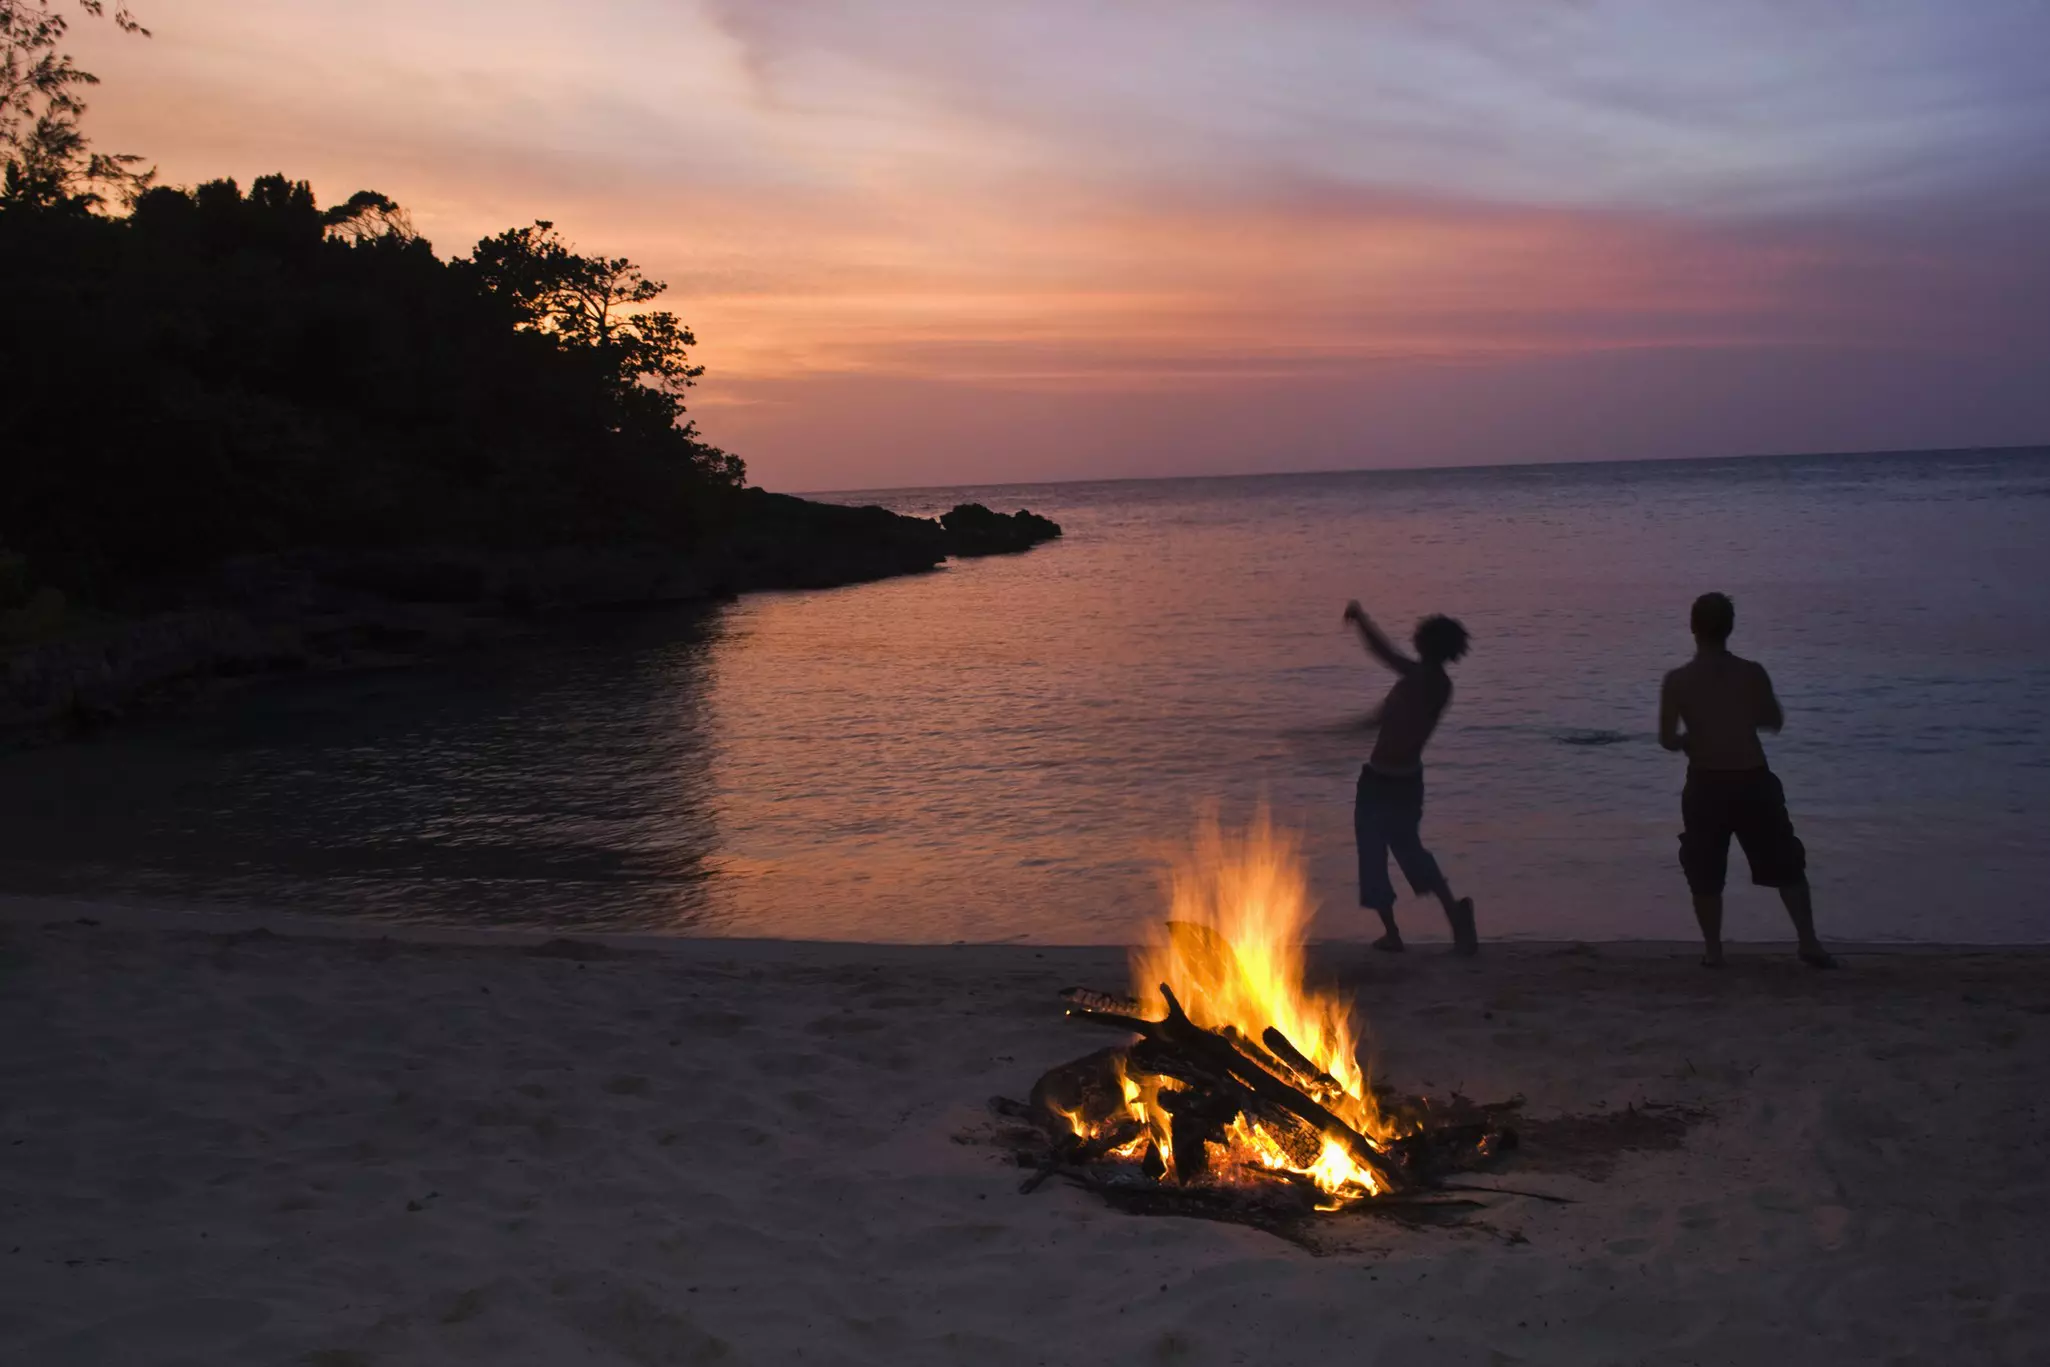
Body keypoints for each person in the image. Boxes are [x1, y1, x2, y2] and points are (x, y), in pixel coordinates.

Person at [1659, 592, 1836, 969]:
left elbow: (1668, 740)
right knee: (1786, 863)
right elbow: (1774, 719)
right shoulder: (1752, 673)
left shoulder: (1677, 681)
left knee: (1704, 870)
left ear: (1693, 629)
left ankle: (1714, 951)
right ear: (1730, 629)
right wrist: (1739, 719)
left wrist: (1693, 737)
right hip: (1752, 780)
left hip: (1706, 784)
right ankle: (1809, 943)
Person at [1342, 600, 1477, 955]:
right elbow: (1385, 713)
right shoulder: (1437, 684)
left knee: (1374, 858)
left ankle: (1394, 934)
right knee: (1410, 852)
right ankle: (1454, 916)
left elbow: (1383, 655)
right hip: (1405, 781)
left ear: (1424, 644)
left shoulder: (1421, 680)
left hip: (1381, 783)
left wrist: (1361, 618)